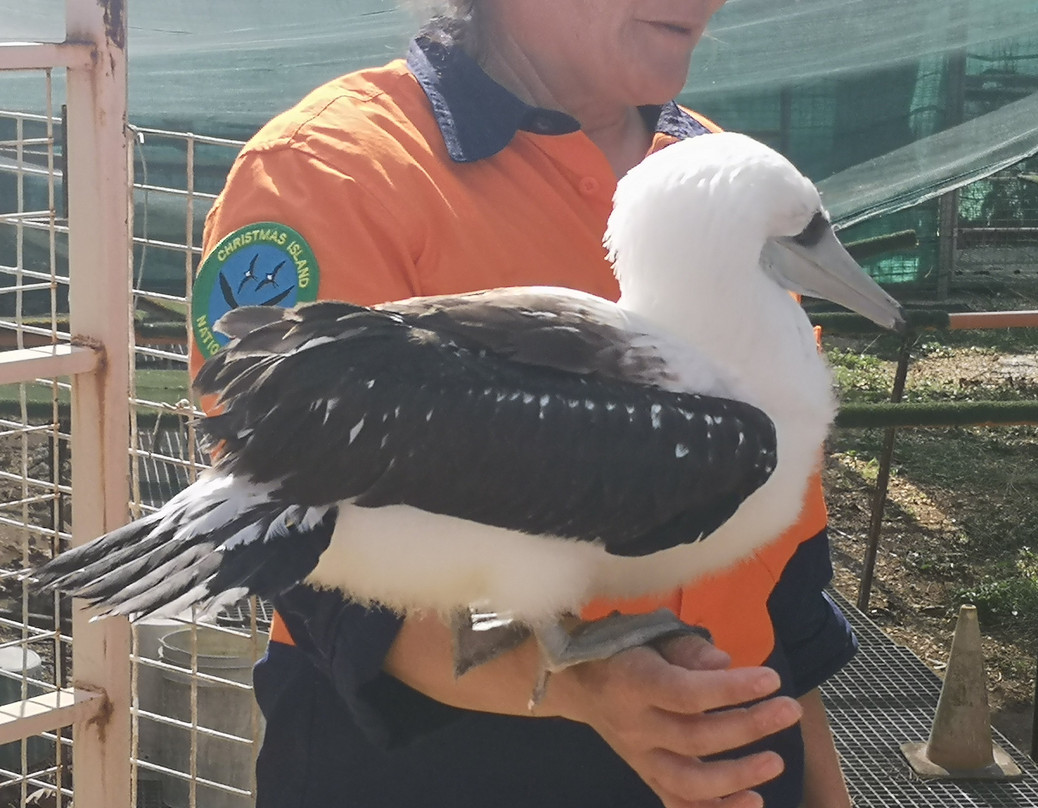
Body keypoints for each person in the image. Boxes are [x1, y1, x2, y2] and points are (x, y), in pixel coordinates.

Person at [190, 2, 857, 806]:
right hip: (442, 765)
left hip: (741, 754)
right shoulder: (328, 172)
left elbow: (784, 579)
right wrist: (578, 682)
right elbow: (306, 553)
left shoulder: (729, 181)